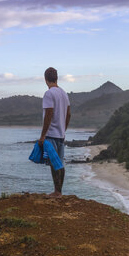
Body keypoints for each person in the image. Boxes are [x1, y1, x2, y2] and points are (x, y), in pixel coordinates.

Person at [38, 67, 71, 198]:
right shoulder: (64, 93)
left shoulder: (49, 94)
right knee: (59, 162)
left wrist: (42, 135)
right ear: (56, 78)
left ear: (45, 79)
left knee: (54, 163)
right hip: (61, 134)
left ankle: (57, 192)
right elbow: (68, 114)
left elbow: (48, 114)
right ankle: (59, 191)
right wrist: (64, 129)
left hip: (51, 134)